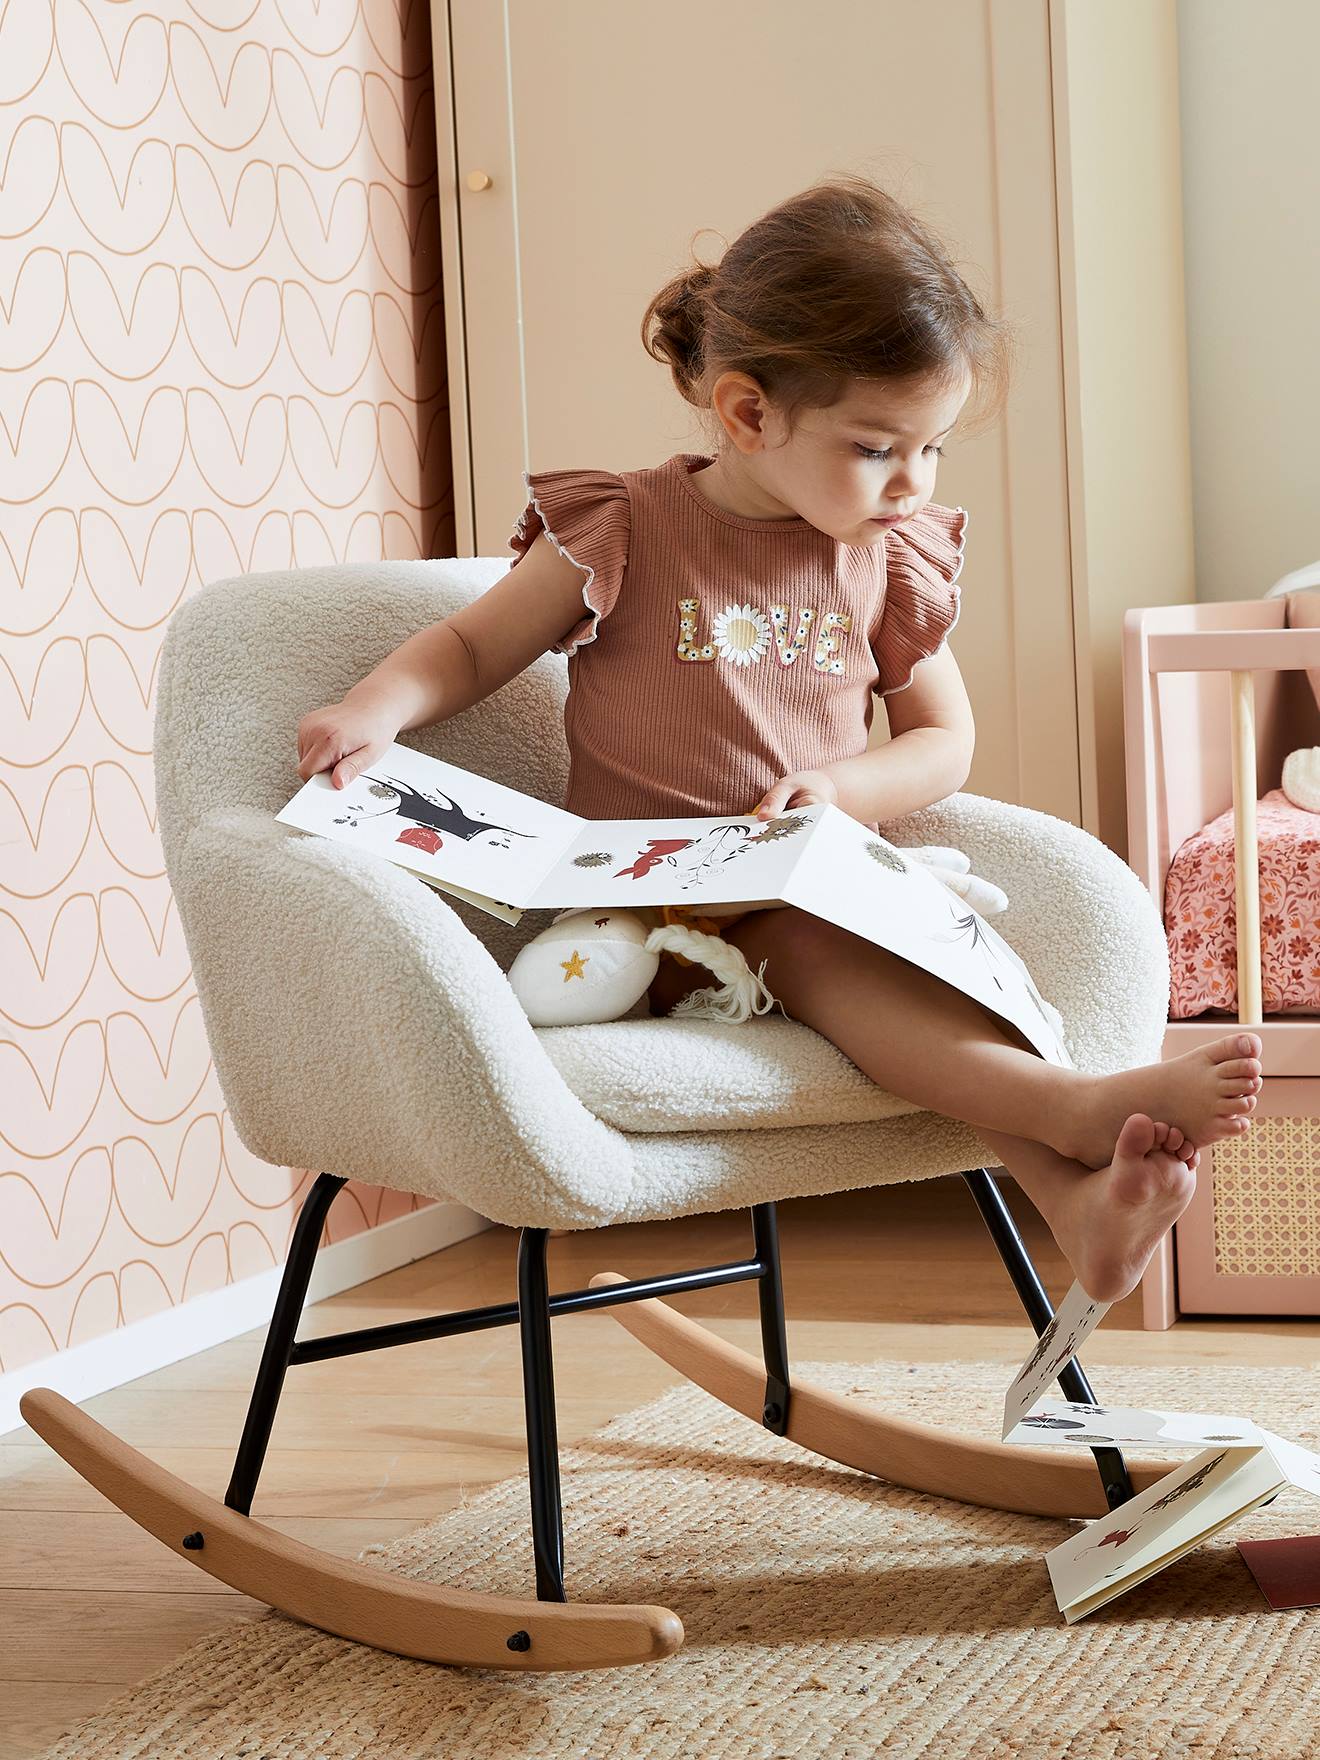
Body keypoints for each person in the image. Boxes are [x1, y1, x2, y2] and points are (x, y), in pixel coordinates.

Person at [295, 173, 1262, 1304]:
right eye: (876, 447)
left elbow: (944, 738)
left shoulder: (884, 554)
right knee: (821, 950)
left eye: (933, 450)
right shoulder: (626, 528)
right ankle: (1075, 1109)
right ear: (750, 414)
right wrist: (372, 706)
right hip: (660, 907)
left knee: (914, 955)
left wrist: (844, 788)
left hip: (811, 870)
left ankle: (1071, 1200)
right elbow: (467, 651)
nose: (912, 483)